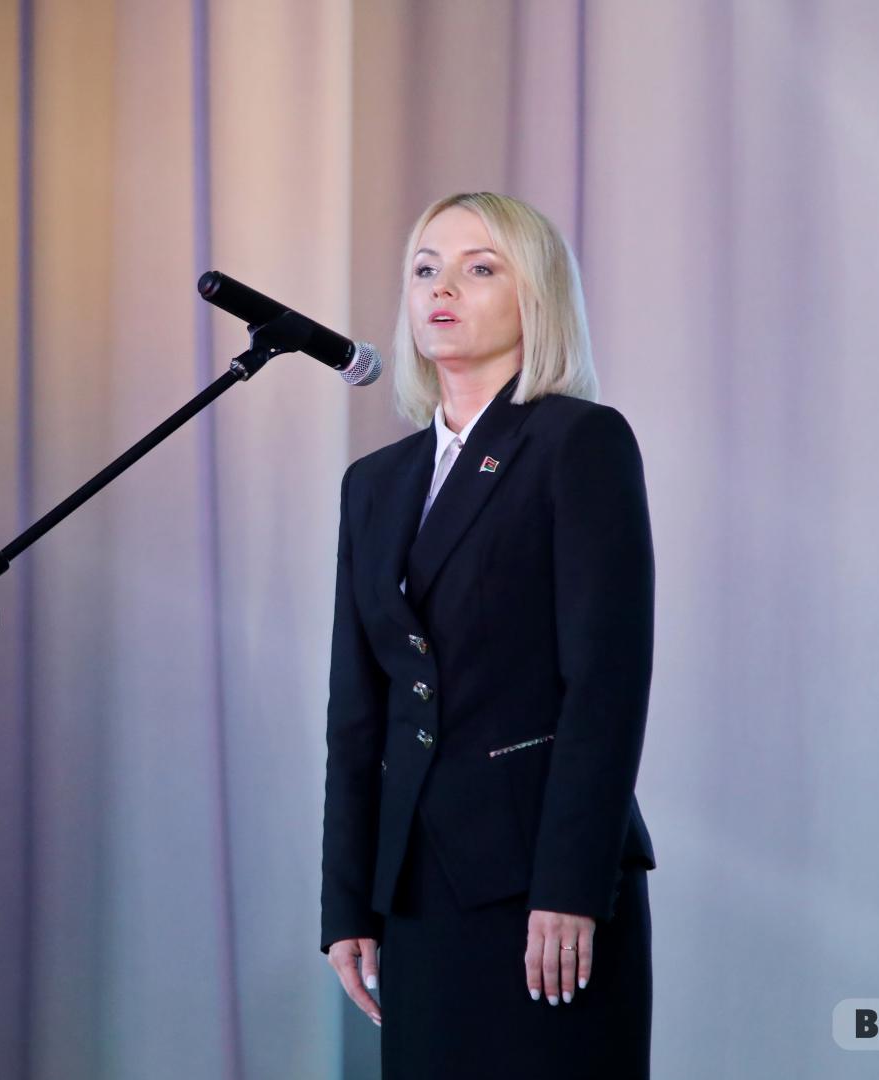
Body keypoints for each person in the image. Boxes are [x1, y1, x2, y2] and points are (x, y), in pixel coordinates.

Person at [320, 192, 657, 1078]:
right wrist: (347, 901)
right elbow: (357, 713)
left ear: (533, 294)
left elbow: (607, 684)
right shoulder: (374, 483)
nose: (442, 288)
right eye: (426, 268)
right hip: (416, 890)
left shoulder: (578, 442)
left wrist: (570, 885)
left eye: (479, 268)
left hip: (542, 882)